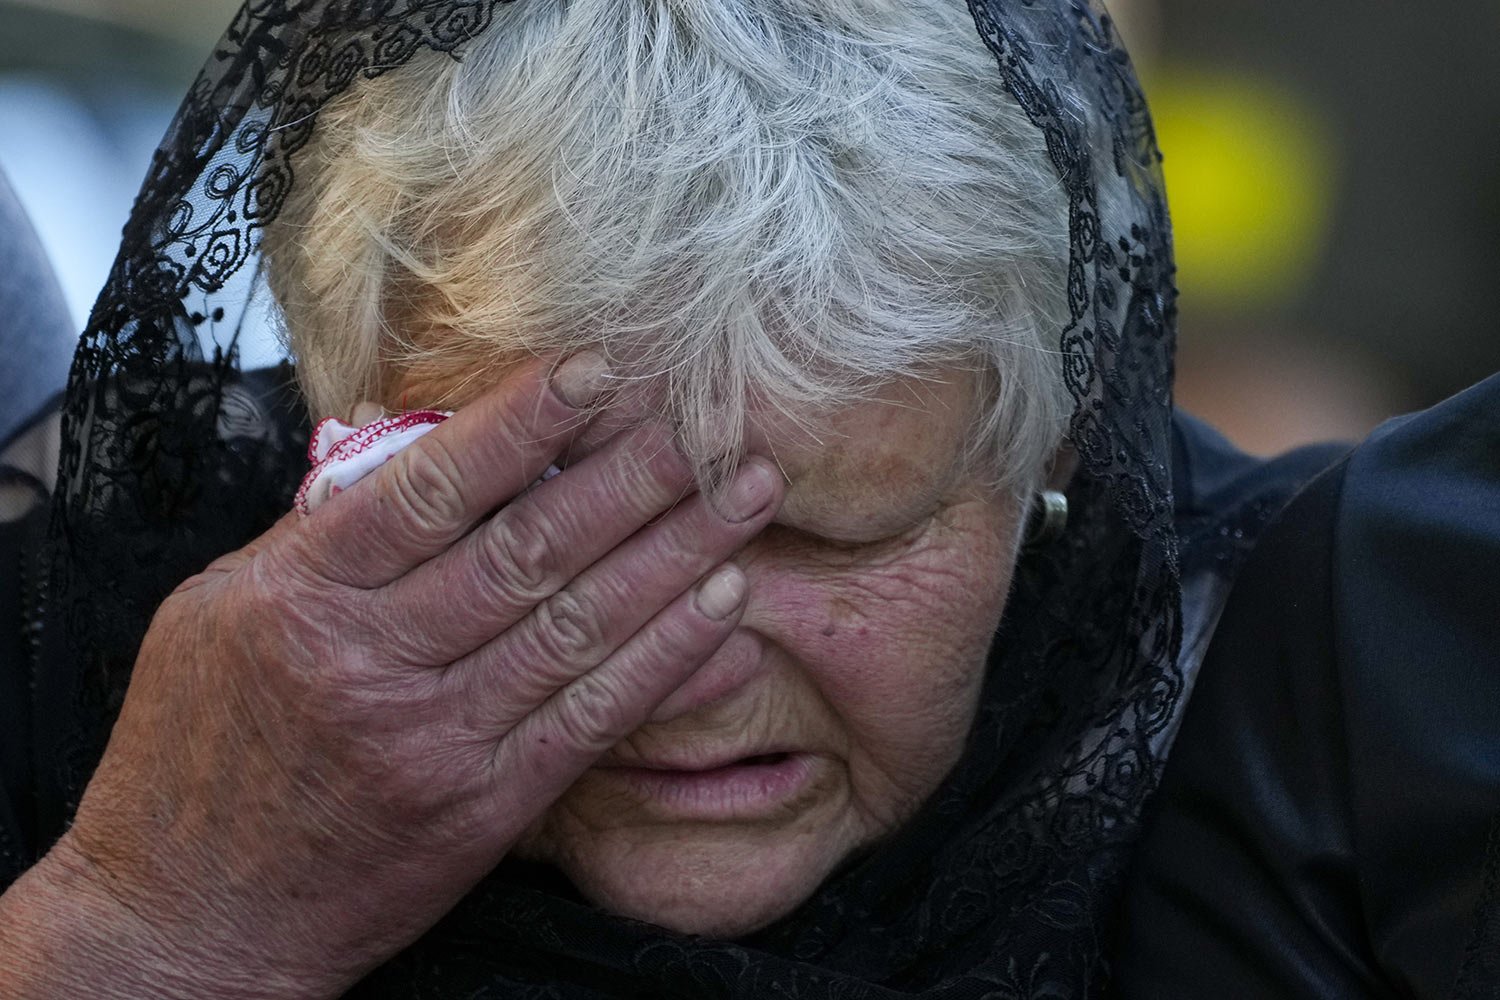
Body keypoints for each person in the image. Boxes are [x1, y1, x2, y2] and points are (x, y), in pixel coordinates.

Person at [0, 1, 1408, 997]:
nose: (683, 670)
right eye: (549, 521)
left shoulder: (1329, 726)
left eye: (827, 531)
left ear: (1041, 460)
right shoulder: (66, 662)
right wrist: (154, 929)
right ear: (341, 435)